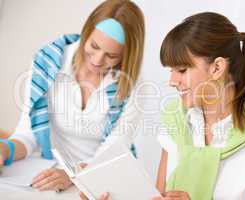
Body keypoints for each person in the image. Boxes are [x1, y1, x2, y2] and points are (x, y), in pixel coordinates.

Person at [0, 0, 145, 192]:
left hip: (103, 179)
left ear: (127, 55)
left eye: (111, 55)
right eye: (94, 46)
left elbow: (112, 154)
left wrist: (73, 174)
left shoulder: (132, 85)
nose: (97, 59)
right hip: (52, 174)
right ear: (86, 32)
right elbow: (29, 134)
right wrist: (4, 150)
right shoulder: (48, 62)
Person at [153, 12, 245, 200]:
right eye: (171, 71)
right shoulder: (175, 122)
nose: (172, 81)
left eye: (182, 70)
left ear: (217, 68)